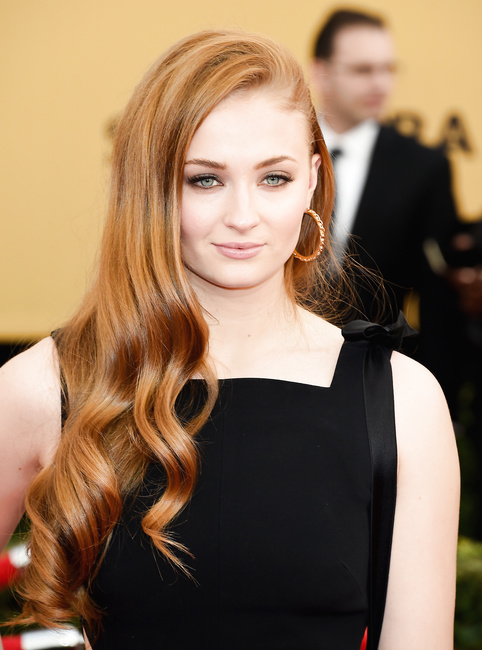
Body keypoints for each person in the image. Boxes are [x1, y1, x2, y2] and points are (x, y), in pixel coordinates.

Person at [0, 29, 459, 650]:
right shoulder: (46, 385)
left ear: (312, 180)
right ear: (152, 186)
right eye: (205, 180)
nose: (243, 216)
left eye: (274, 178)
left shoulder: (402, 400)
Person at [310, 9, 462, 411]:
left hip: (377, 383)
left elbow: (438, 304)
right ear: (321, 72)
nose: (380, 84)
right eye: (362, 70)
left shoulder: (424, 168)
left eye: (388, 69)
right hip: (272, 371)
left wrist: (438, 402)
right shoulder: (274, 153)